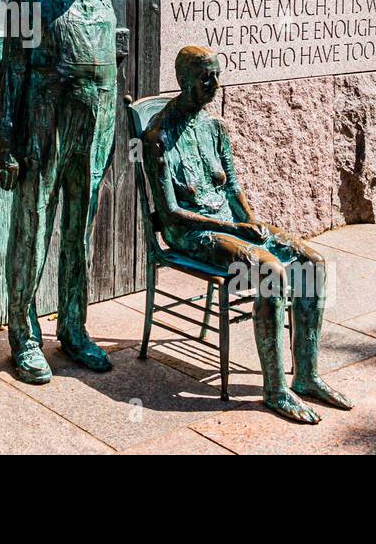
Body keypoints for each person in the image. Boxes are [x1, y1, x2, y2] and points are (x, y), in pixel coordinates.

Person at [142, 46, 353, 423]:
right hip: (191, 233)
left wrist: (254, 225)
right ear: (184, 81)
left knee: (313, 264)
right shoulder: (158, 136)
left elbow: (233, 188)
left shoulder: (215, 127)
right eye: (206, 78)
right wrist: (234, 229)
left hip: (230, 223)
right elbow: (172, 212)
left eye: (218, 75)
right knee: (272, 273)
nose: (215, 85)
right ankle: (276, 391)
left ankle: (306, 376)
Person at [0, 0, 120, 384]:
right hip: (46, 123)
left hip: (95, 122)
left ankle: (74, 327)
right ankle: (24, 336)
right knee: (33, 226)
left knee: (78, 232)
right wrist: (6, 140)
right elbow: (11, 65)